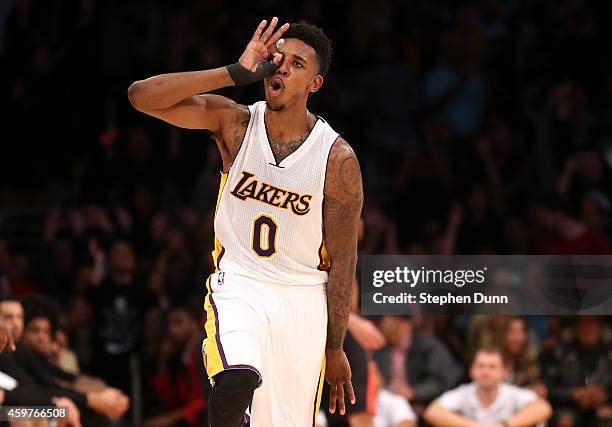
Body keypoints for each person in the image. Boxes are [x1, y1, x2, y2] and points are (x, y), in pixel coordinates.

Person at [128, 17, 363, 427]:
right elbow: (141, 96)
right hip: (240, 282)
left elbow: (343, 261)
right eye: (278, 58)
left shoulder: (337, 160)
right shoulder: (234, 123)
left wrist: (335, 344)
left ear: (315, 84)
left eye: (297, 64)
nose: (282, 68)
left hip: (303, 298)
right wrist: (231, 73)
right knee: (237, 375)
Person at [424, 346, 552, 427]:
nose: (486, 372)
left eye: (492, 367)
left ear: (504, 372)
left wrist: (504, 425)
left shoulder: (512, 393)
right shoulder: (463, 393)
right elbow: (432, 412)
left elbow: (543, 408)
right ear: (471, 371)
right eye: (481, 366)